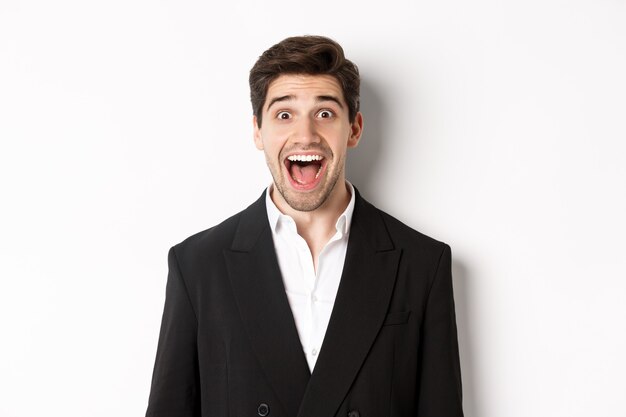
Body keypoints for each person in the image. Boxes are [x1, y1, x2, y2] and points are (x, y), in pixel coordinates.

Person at [145, 35, 464, 417]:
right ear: (257, 131)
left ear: (355, 129)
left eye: (325, 113)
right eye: (284, 115)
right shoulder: (197, 266)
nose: (305, 135)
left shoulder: (422, 265)